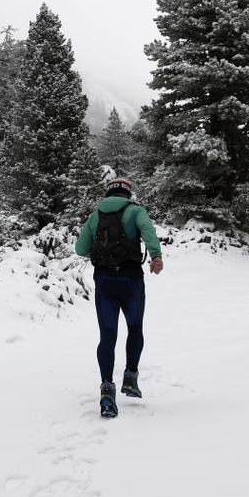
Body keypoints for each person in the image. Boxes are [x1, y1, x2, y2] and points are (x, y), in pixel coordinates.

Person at [74, 177, 163, 418]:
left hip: (104, 281)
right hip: (131, 280)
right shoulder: (136, 211)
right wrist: (155, 256)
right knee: (135, 327)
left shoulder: (95, 216)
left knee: (107, 334)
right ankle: (130, 378)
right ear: (128, 193)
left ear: (108, 193)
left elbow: (80, 249)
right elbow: (149, 233)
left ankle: (106, 388)